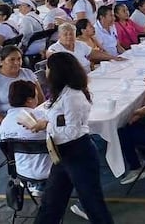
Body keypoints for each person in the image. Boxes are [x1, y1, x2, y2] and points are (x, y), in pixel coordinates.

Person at [19, 53, 113, 223]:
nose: (46, 71)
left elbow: (72, 131)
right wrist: (45, 122)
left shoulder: (72, 96)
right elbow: (59, 119)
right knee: (51, 201)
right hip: (62, 152)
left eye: (48, 68)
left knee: (92, 203)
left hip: (78, 152)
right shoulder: (62, 93)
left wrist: (46, 126)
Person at [0, 80, 51, 196]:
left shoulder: (4, 123)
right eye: (36, 96)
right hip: (49, 170)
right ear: (29, 100)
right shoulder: (42, 117)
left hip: (22, 171)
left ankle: (36, 185)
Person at [0, 45, 43, 124]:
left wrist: (39, 116)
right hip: (9, 118)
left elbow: (41, 98)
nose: (17, 63)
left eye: (19, 59)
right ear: (1, 61)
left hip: (33, 115)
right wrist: (8, 123)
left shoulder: (27, 73)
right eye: (12, 59)